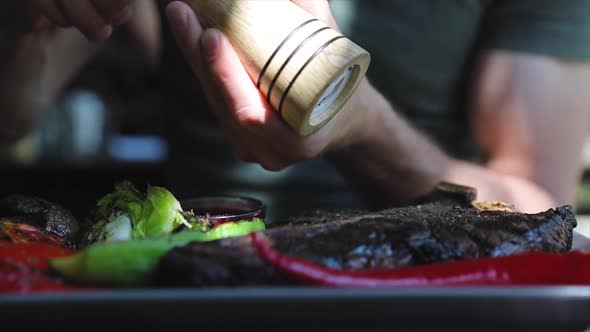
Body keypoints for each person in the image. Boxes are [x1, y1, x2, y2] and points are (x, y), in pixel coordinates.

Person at [1, 1, 589, 222]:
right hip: (192, 284)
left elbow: (542, 213)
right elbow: (12, 120)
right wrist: (23, 24)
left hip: (416, 298)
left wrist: (366, 130)